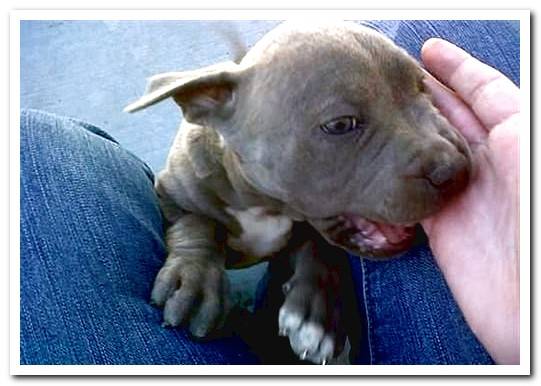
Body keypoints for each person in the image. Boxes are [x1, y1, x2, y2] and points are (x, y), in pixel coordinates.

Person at [19, 20, 520, 365]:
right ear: (207, 103)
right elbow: (178, 202)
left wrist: (315, 261)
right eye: (344, 125)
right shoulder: (199, 164)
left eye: (417, 92)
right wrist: (194, 250)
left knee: (32, 151)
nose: (446, 159)